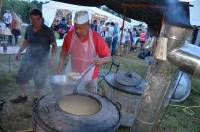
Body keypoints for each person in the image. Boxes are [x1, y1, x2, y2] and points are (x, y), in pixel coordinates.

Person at [56, 11, 111, 93]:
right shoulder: (70, 36)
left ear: (88, 25)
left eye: (81, 28)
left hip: (91, 76)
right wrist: (60, 66)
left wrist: (101, 60)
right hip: (73, 73)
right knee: (70, 96)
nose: (77, 31)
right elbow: (63, 53)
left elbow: (109, 58)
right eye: (76, 27)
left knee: (90, 100)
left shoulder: (96, 38)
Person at [10, 9, 57, 103]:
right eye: (32, 19)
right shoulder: (29, 28)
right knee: (21, 77)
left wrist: (52, 58)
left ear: (41, 19)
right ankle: (23, 96)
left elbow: (54, 45)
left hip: (42, 60)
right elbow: (26, 41)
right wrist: (19, 52)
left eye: (37, 19)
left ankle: (37, 99)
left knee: (39, 81)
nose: (34, 22)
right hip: (28, 58)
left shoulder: (47, 31)